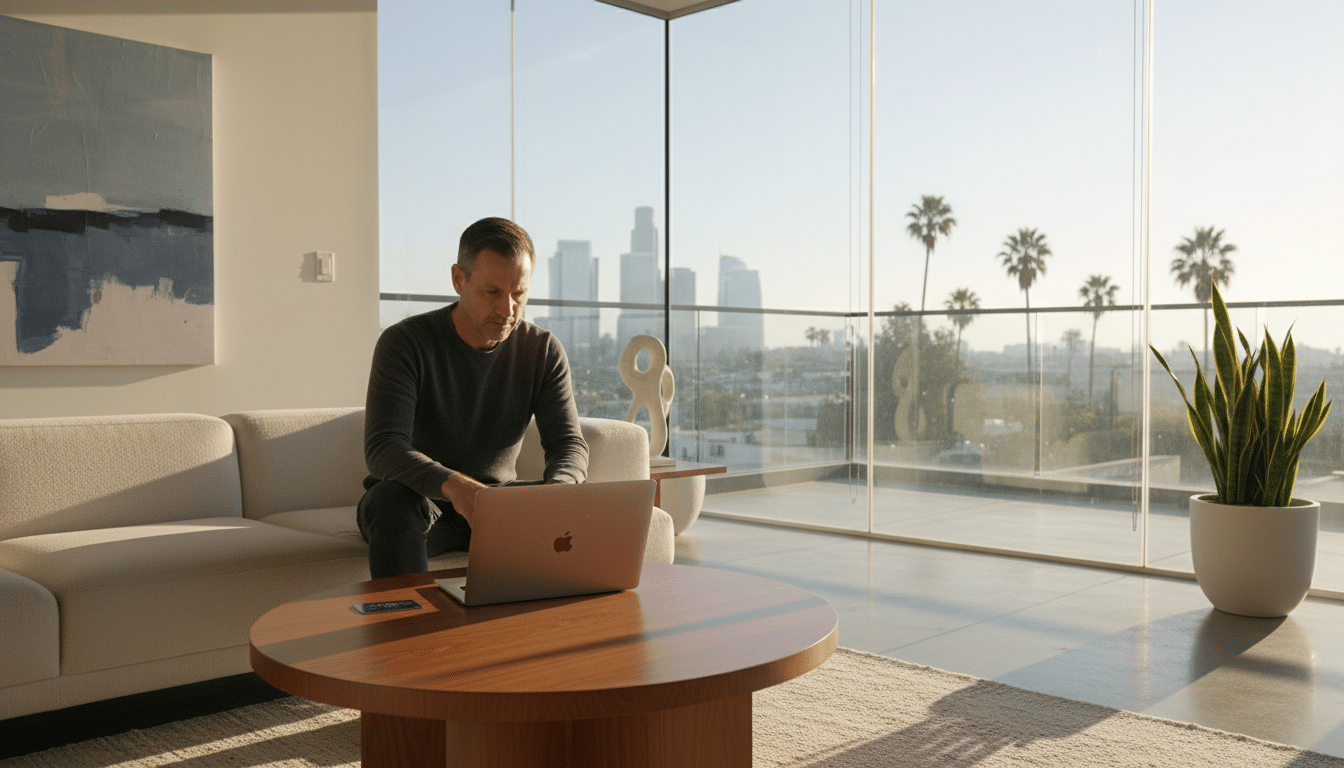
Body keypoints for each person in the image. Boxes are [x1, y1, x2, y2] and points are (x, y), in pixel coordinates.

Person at [357, 217, 588, 579]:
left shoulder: (542, 349)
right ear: (458, 280)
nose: (508, 309)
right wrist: (459, 487)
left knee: (577, 498)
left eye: (519, 294)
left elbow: (569, 444)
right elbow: (383, 447)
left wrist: (556, 493)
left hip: (497, 506)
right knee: (392, 501)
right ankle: (403, 631)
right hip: (420, 503)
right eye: (492, 292)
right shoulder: (405, 343)